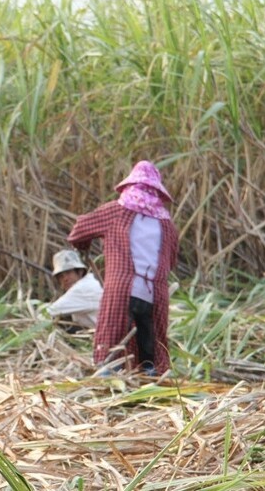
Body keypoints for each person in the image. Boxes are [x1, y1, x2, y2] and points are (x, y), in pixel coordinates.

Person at [67, 160, 179, 376]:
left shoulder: (116, 211)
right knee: (150, 339)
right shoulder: (167, 225)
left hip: (122, 288)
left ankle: (109, 373)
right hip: (155, 293)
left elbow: (79, 230)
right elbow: (171, 260)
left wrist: (82, 244)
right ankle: (151, 373)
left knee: (113, 333)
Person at [45, 249, 103, 331]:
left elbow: (48, 312)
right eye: (61, 276)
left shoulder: (81, 289)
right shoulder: (91, 280)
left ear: (80, 271)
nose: (65, 279)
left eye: (68, 272)